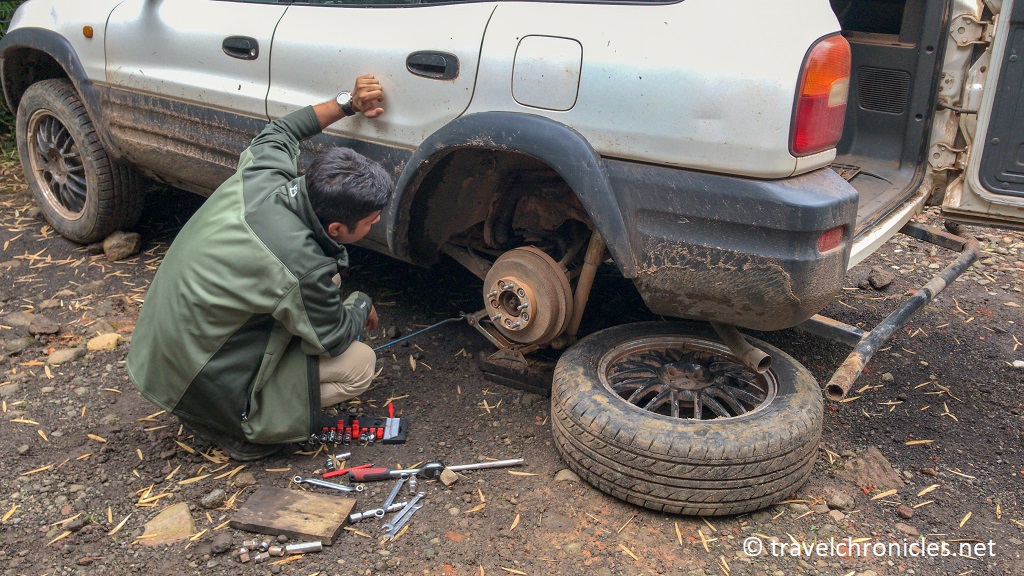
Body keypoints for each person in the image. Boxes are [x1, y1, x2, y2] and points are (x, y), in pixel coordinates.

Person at [127, 75, 393, 461]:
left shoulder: (266, 174)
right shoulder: (300, 264)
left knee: (302, 306)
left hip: (156, 352)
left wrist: (348, 103)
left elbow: (283, 129)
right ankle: (238, 424)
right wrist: (360, 302)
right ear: (337, 228)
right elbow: (333, 339)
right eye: (371, 221)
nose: (375, 225)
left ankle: (213, 402)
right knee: (359, 366)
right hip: (190, 377)